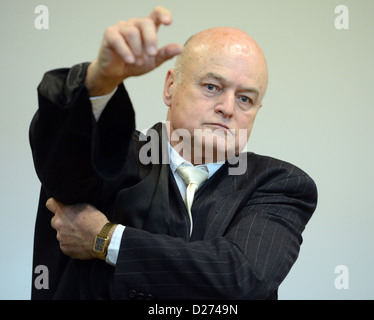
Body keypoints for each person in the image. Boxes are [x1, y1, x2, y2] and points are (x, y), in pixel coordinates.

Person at [30, 6, 317, 300]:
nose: (228, 108)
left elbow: (240, 278)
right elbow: (62, 157)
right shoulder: (110, 158)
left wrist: (106, 238)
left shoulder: (279, 184)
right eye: (212, 86)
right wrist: (98, 83)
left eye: (245, 98)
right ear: (170, 87)